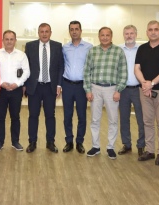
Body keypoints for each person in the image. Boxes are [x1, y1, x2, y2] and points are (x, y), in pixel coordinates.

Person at [83, 27, 127, 159]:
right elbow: (86, 71)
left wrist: (118, 90)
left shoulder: (118, 52)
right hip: (95, 88)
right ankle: (95, 146)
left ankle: (110, 147)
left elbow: (123, 73)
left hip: (111, 89)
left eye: (107, 35)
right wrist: (88, 90)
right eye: (102, 35)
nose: (105, 37)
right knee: (94, 119)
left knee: (113, 120)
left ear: (111, 36)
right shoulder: (92, 51)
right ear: (99, 36)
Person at [134, 20, 159, 164]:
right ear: (147, 32)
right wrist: (144, 83)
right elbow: (137, 68)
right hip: (145, 91)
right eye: (150, 29)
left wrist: (152, 83)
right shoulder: (142, 48)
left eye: (156, 29)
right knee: (147, 122)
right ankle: (150, 150)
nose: (153, 32)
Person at [24, 23, 64, 153]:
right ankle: (32, 142)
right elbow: (25, 66)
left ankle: (50, 142)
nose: (44, 34)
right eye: (42, 31)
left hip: (50, 87)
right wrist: (25, 85)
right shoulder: (30, 46)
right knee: (33, 115)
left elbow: (60, 67)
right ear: (38, 33)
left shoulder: (57, 46)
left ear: (50, 33)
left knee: (50, 115)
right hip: (34, 87)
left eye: (47, 31)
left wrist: (59, 85)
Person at [0, 30, 30, 151]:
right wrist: (1, 83)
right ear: (3, 40)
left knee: (15, 117)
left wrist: (17, 84)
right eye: (7, 39)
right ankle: (0, 142)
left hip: (16, 90)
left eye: (11, 39)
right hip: (1, 90)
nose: (9, 41)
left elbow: (26, 72)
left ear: (15, 41)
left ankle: (15, 141)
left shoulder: (21, 55)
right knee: (0, 117)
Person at [61, 21, 92, 153]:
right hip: (67, 85)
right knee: (67, 116)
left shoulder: (89, 47)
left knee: (82, 116)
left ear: (80, 31)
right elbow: (61, 65)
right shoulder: (64, 48)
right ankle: (69, 141)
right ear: (69, 31)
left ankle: (80, 142)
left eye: (76, 29)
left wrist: (90, 87)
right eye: (72, 29)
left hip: (81, 86)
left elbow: (91, 68)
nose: (74, 31)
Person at [118, 25, 145, 156]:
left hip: (138, 89)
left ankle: (141, 145)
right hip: (123, 89)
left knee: (141, 119)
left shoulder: (142, 49)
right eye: (126, 33)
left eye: (131, 33)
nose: (129, 36)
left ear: (136, 34)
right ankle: (126, 144)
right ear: (123, 35)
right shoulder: (118, 49)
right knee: (124, 118)